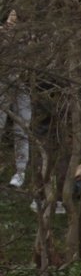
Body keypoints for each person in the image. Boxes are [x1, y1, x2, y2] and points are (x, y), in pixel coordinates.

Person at [1, 10, 31, 189]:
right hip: (2, 84)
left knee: (21, 128)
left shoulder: (32, 38)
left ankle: (20, 172)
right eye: (11, 16)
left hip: (23, 86)